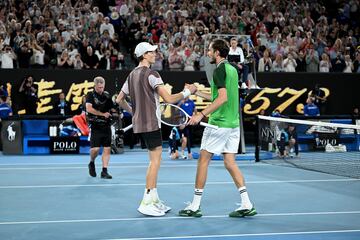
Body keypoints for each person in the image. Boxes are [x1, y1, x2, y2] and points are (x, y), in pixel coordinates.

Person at [116, 42, 196, 217]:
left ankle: (154, 198)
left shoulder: (131, 75)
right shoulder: (152, 74)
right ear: (144, 55)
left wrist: (134, 112)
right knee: (155, 162)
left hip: (141, 123)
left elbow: (119, 99)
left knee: (153, 161)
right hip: (151, 122)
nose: (155, 54)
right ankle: (146, 201)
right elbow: (168, 97)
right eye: (152, 52)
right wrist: (187, 92)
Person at [179, 39, 256, 218]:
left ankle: (195, 206)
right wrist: (196, 91)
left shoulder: (219, 70)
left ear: (217, 53)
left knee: (203, 161)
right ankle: (247, 203)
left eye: (210, 51)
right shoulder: (232, 70)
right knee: (230, 163)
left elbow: (222, 99)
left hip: (218, 124)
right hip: (233, 125)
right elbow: (219, 96)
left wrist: (200, 114)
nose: (208, 54)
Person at [86, 76, 116, 179]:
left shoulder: (107, 95)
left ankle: (104, 171)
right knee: (95, 149)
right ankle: (92, 162)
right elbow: (89, 109)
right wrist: (102, 114)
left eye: (102, 87)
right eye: (99, 87)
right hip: (95, 126)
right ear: (95, 86)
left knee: (107, 149)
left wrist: (116, 113)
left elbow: (112, 108)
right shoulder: (90, 95)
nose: (101, 89)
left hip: (106, 126)